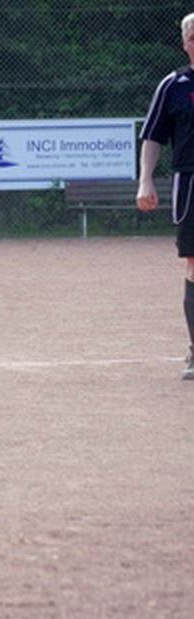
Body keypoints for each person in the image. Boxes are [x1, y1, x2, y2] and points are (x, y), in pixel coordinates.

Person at [137, 12, 194, 380]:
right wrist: (145, 180)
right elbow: (153, 136)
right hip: (191, 183)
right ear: (185, 43)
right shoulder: (173, 85)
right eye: (193, 36)